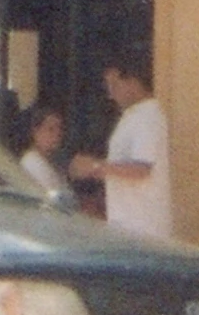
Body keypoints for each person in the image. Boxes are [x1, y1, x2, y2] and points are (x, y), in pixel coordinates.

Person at [69, 55, 172, 238]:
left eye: (114, 85)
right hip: (126, 223)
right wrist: (92, 170)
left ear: (133, 82)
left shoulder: (148, 117)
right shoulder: (131, 116)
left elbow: (142, 168)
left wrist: (96, 166)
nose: (110, 94)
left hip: (144, 227)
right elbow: (120, 168)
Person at [19, 102, 67, 193]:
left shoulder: (53, 162)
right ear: (35, 132)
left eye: (60, 128)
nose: (57, 134)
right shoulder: (32, 163)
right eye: (51, 129)